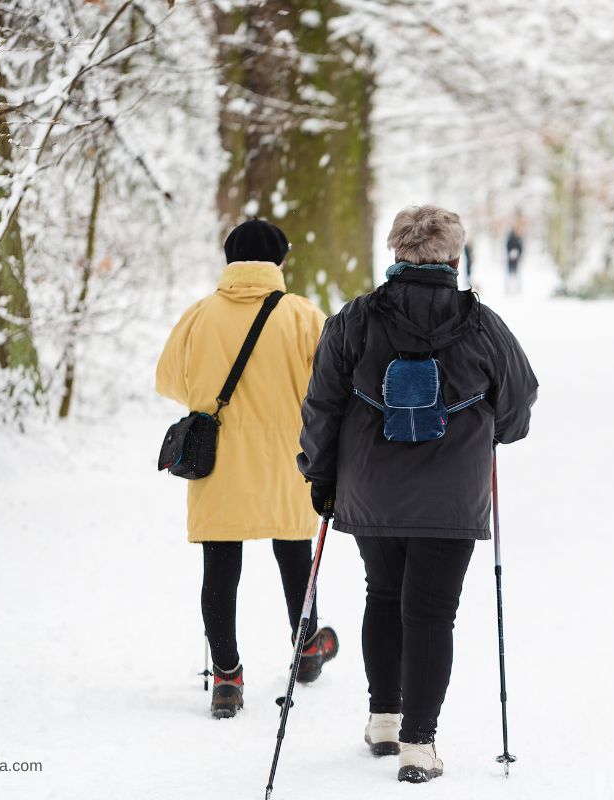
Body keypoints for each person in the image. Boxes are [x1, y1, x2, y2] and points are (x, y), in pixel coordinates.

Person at [298, 205, 538, 783]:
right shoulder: (482, 325)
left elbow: (323, 405)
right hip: (451, 497)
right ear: (454, 258)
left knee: (382, 595)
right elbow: (518, 403)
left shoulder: (354, 320)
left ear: (396, 254)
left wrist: (320, 474)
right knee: (432, 611)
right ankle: (418, 744)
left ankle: (384, 717)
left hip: (372, 492)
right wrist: (493, 430)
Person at [156, 220, 339, 719]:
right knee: (294, 554)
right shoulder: (303, 316)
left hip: (218, 461)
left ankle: (227, 676)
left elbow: (169, 379)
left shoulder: (199, 316)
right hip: (287, 457)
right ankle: (306, 650)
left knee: (221, 566)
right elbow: (328, 386)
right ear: (279, 261)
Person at [505, 225, 523, 294]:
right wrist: (511, 253)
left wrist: (518, 254)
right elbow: (507, 247)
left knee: (517, 275)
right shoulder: (510, 239)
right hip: (510, 260)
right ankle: (508, 289)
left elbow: (520, 248)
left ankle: (517, 288)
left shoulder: (519, 239)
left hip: (516, 260)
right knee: (509, 275)